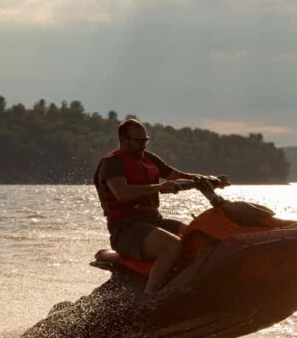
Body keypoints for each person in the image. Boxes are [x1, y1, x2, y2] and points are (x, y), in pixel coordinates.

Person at [94, 119, 228, 293]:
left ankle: (196, 285)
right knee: (172, 246)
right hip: (126, 229)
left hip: (154, 221)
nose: (143, 145)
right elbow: (122, 193)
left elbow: (177, 175)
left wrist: (209, 180)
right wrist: (159, 187)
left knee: (198, 236)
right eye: (138, 141)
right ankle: (150, 297)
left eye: (145, 141)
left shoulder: (149, 158)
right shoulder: (112, 162)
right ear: (123, 140)